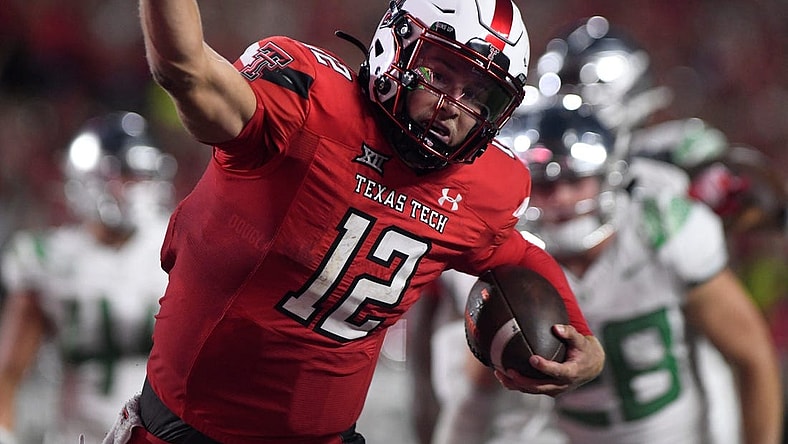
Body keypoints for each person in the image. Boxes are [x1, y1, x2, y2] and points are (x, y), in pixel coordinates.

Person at [101, 0, 608, 443]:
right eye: (439, 74)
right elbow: (185, 68)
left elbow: (517, 254)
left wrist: (582, 341)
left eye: (480, 96)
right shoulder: (306, 108)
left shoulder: (487, 187)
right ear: (396, 46)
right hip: (183, 435)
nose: (454, 107)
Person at [431, 100, 783, 444]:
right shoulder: (505, 269)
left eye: (576, 180)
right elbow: (475, 398)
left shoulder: (659, 230)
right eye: (545, 185)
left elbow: (751, 356)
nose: (562, 198)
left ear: (608, 178)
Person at [0, 111, 176, 444]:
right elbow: (8, 375)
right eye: (124, 174)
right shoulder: (49, 258)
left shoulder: (177, 246)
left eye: (143, 175)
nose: (136, 186)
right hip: (76, 435)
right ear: (90, 177)